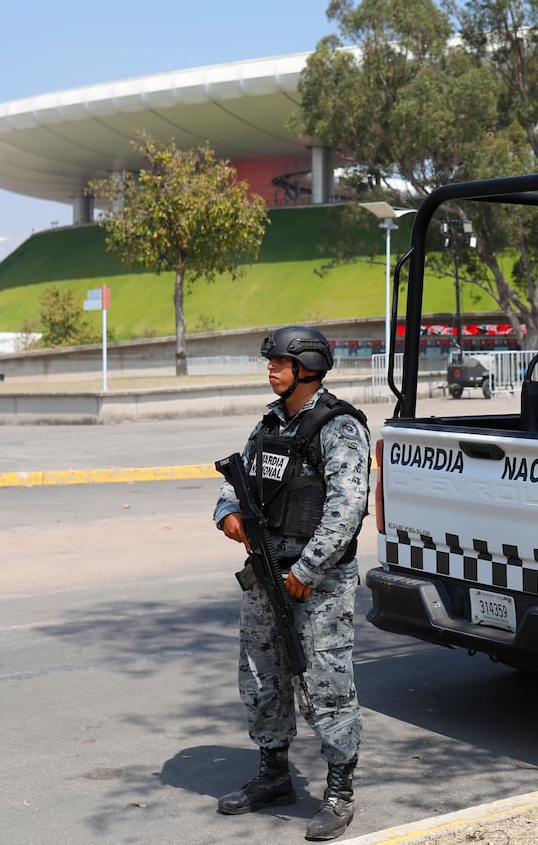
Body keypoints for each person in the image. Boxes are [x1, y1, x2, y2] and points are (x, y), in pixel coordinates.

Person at [213, 325, 370, 841]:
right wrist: (228, 514)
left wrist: (307, 570)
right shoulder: (269, 425)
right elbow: (236, 482)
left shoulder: (338, 426)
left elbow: (348, 507)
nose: (270, 369)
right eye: (271, 361)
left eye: (279, 361)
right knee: (262, 676)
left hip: (315, 581)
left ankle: (339, 792)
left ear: (306, 367)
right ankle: (274, 776)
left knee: (325, 682)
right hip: (265, 575)